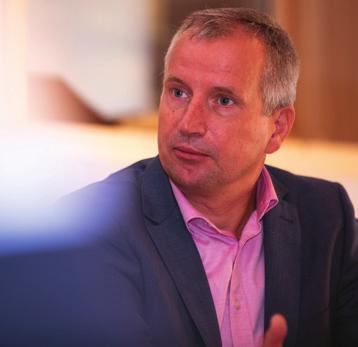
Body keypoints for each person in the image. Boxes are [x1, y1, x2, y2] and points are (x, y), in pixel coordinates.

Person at [1, 7, 357, 347]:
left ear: (277, 128)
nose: (188, 124)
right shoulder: (91, 227)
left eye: (223, 101)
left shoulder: (328, 217)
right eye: (178, 92)